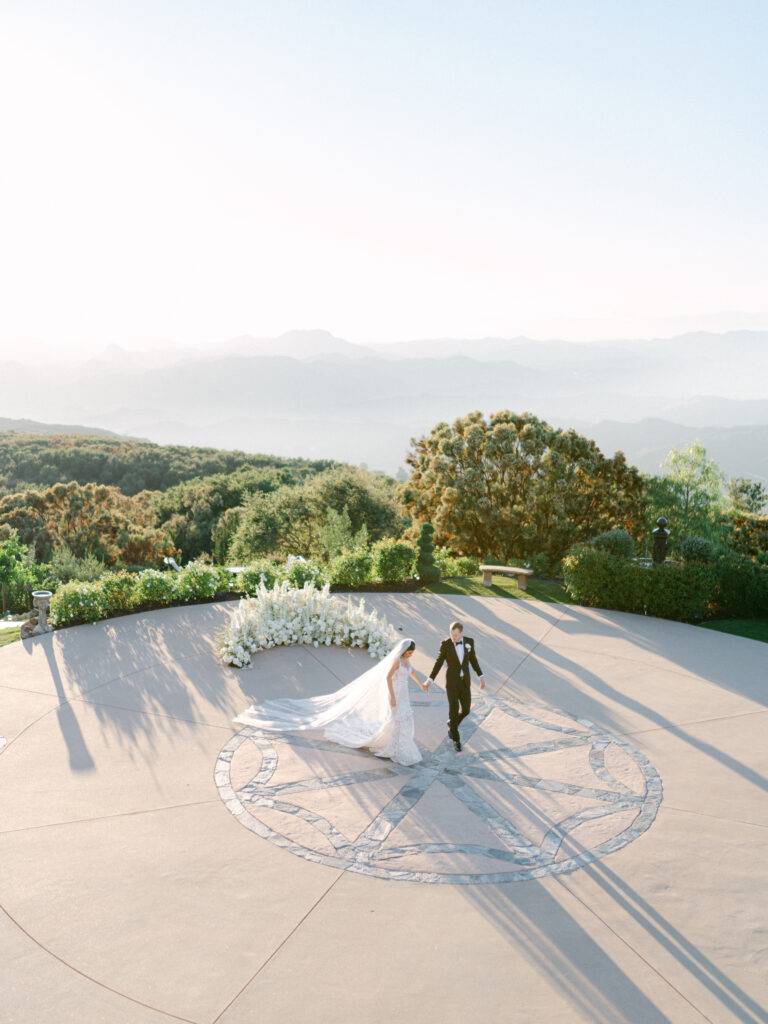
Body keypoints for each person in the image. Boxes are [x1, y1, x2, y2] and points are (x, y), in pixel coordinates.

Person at [234, 638, 429, 767]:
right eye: (409, 653)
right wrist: (392, 697)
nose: (410, 655)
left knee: (404, 719)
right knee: (397, 719)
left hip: (404, 694)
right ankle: (395, 746)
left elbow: (411, 672)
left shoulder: (406, 662)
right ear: (403, 651)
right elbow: (387, 677)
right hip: (395, 694)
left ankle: (398, 744)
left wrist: (421, 684)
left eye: (411, 654)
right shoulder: (396, 661)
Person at [426, 620, 485, 752]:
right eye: (452, 635)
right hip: (452, 683)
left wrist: (481, 676)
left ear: (461, 633)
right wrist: (430, 679)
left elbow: (473, 660)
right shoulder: (446, 644)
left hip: (464, 683)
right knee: (454, 709)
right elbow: (439, 662)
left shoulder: (469, 642)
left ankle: (452, 724)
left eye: (456, 636)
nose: (454, 638)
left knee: (466, 710)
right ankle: (456, 740)